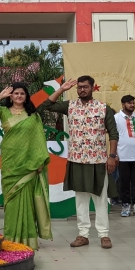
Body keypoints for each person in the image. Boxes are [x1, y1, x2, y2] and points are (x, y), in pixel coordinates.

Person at [40, 76, 119, 250]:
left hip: (98, 160)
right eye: (80, 87)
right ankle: (83, 234)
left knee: (100, 198)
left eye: (85, 87)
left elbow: (113, 134)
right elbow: (46, 106)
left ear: (92, 88)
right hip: (76, 159)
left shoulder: (103, 108)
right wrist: (62, 89)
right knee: (81, 199)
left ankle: (104, 234)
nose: (82, 90)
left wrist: (112, 156)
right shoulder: (70, 106)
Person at [0, 82, 52, 250]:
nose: (19, 96)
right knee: (11, 201)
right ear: (11, 96)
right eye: (16, 93)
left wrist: (39, 161)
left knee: (27, 200)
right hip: (10, 161)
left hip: (28, 162)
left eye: (22, 94)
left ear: (26, 97)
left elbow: (39, 140)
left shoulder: (33, 116)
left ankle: (27, 238)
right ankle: (11, 237)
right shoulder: (3, 111)